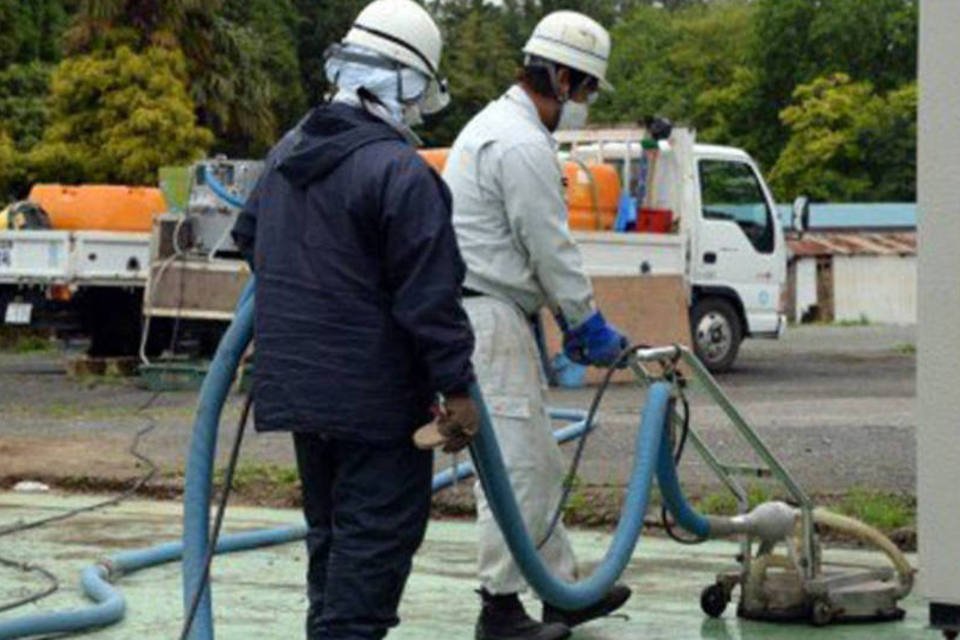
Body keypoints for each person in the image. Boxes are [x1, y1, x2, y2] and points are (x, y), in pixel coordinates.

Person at [230, 1, 479, 638]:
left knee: (331, 545)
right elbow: (431, 299)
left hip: (299, 393)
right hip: (377, 404)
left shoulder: (286, 153)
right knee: (369, 557)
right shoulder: (400, 172)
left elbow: (248, 235)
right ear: (406, 82)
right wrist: (458, 391)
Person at [440, 10, 632, 640]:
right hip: (486, 315)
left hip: (495, 310)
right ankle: (499, 608)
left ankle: (561, 593)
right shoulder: (520, 144)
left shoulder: (501, 128)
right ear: (558, 75)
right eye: (585, 89)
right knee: (516, 466)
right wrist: (587, 321)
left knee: (539, 462)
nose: (584, 102)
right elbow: (549, 248)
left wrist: (562, 319)